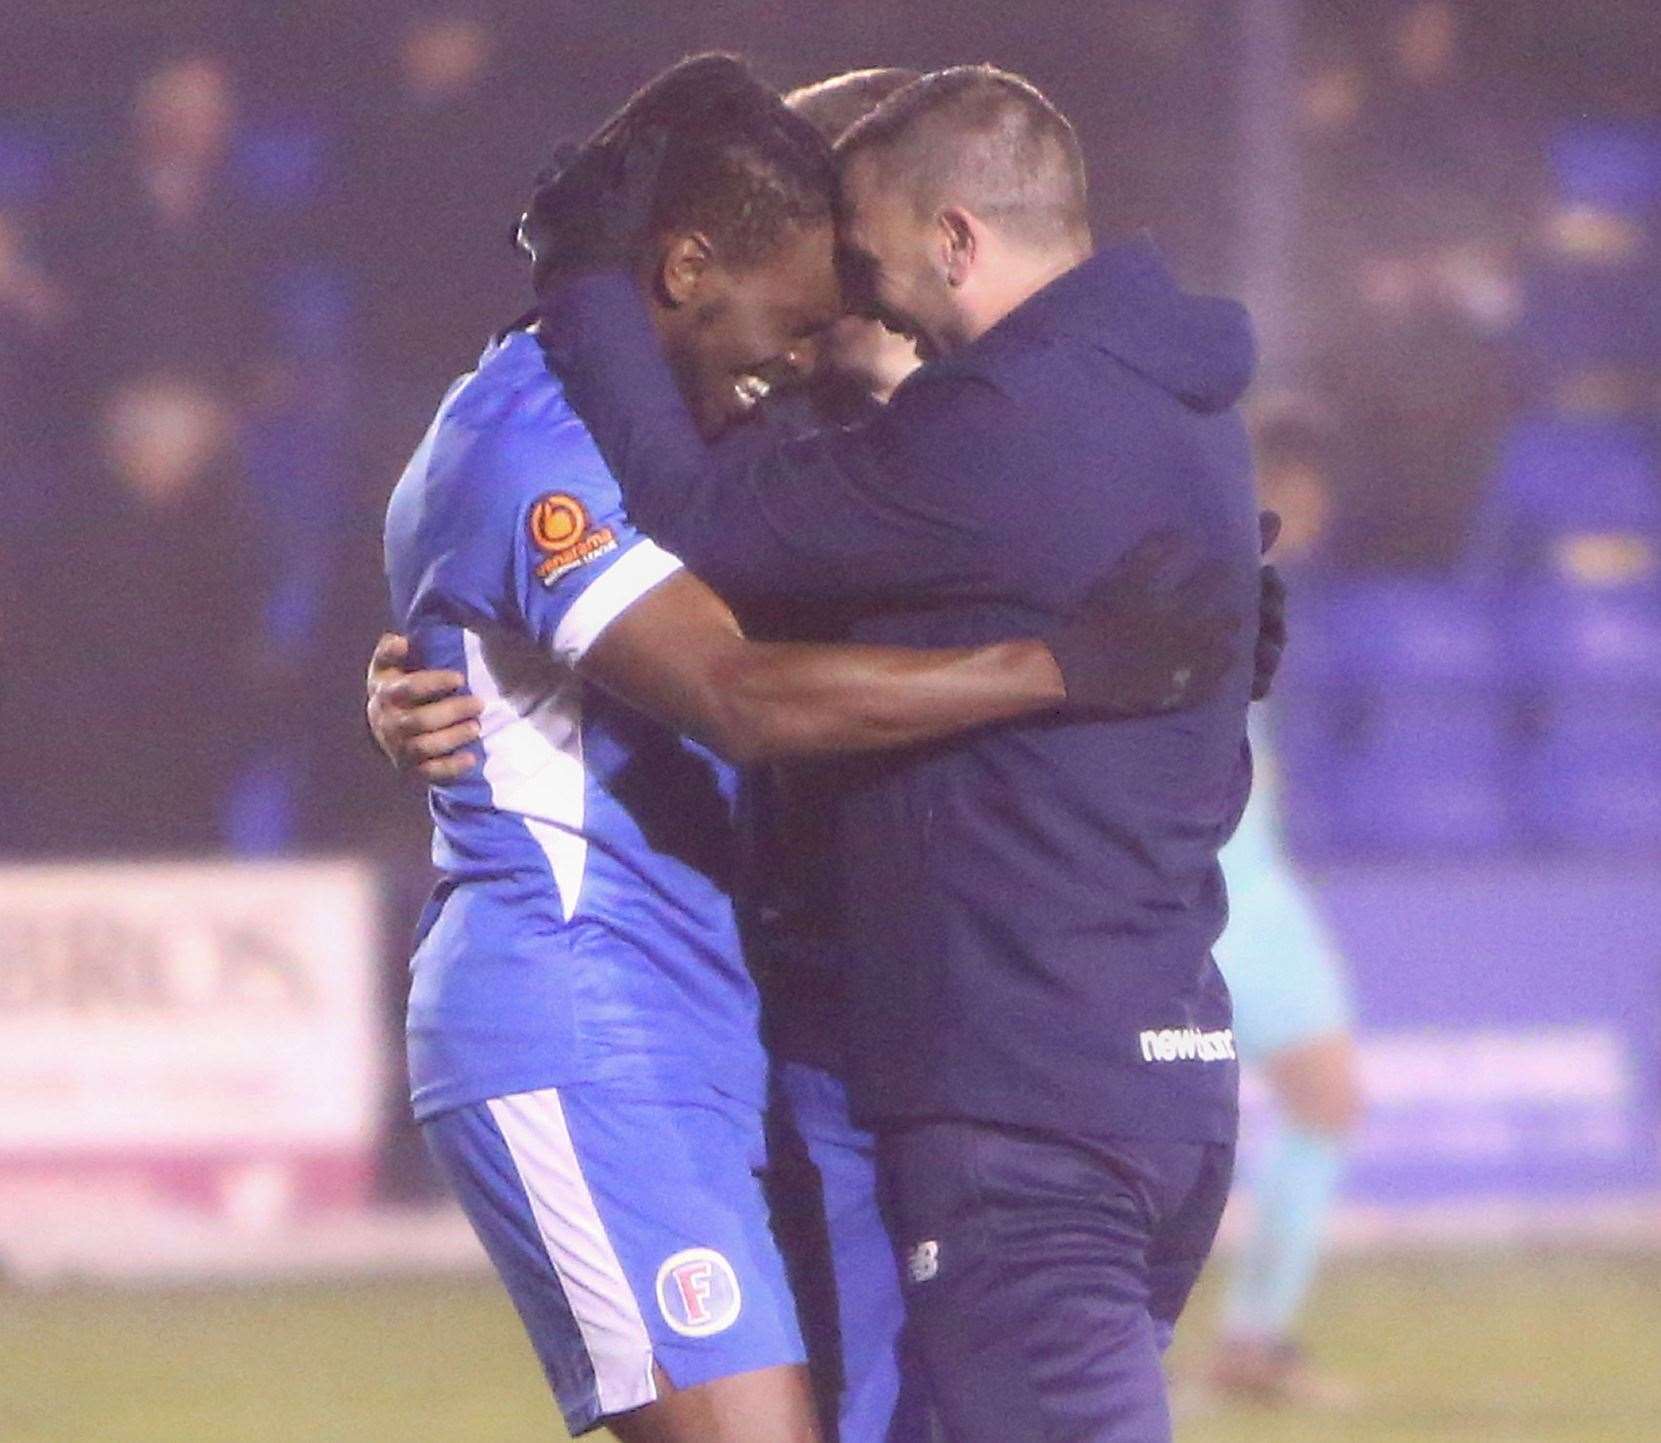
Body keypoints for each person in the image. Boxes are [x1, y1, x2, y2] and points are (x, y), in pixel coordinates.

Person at [378, 56, 1248, 1443]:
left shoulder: (806, 427)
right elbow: (736, 688)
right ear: (682, 267)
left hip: (771, 1023)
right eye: (809, 304)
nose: (814, 345)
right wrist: (1059, 665)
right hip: (595, 1011)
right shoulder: (555, 434)